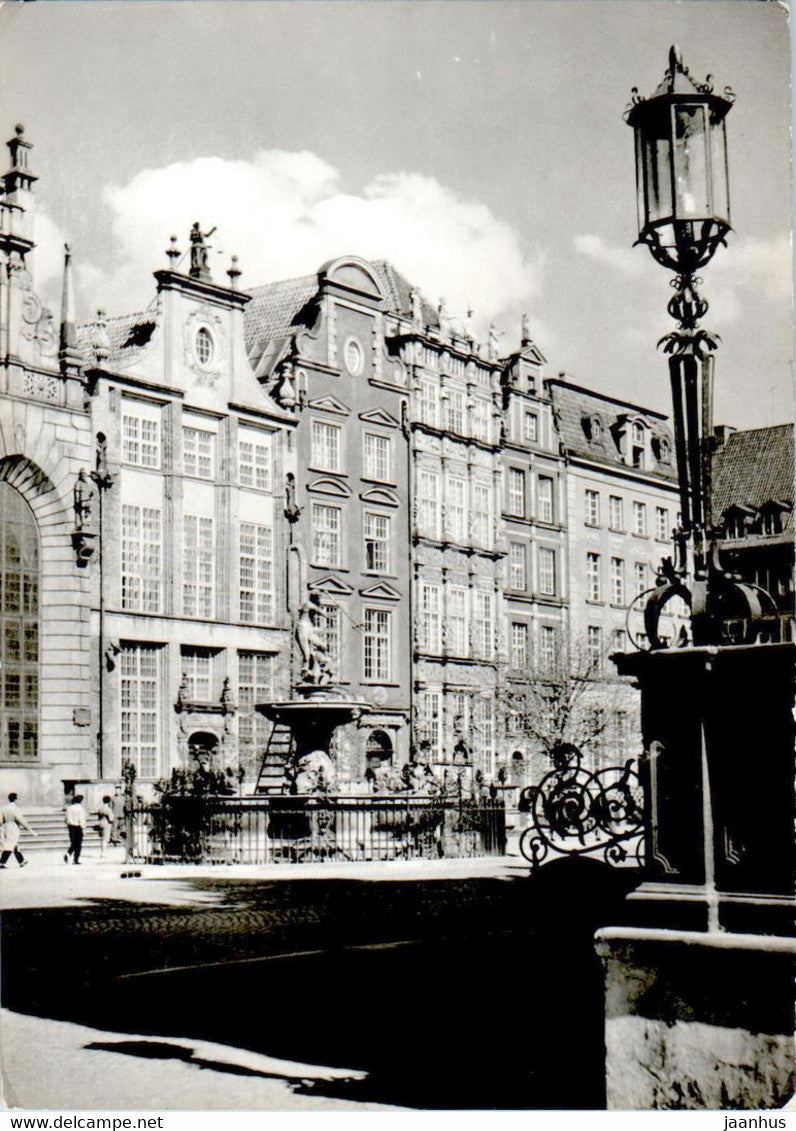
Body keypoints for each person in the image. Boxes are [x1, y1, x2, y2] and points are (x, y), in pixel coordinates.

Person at [0, 793, 35, 868]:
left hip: (5, 826)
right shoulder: (15, 808)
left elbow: (0, 820)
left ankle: (21, 861)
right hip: (13, 827)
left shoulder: (3, 808)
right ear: (15, 799)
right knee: (10, 844)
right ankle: (2, 862)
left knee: (13, 844)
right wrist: (28, 828)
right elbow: (20, 820)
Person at [64, 794, 86, 864]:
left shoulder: (69, 808)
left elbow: (66, 818)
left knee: (73, 843)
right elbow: (81, 820)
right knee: (78, 844)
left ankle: (68, 853)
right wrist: (83, 828)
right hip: (78, 827)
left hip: (71, 827)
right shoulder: (80, 809)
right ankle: (75, 859)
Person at [95, 795, 114, 860]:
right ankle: (103, 852)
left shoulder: (100, 808)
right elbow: (111, 818)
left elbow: (98, 817)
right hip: (107, 824)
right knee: (105, 839)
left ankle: (102, 852)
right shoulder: (108, 809)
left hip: (101, 823)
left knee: (102, 838)